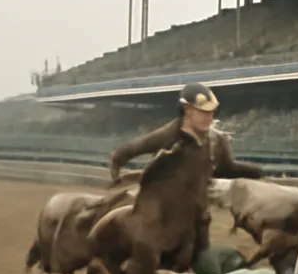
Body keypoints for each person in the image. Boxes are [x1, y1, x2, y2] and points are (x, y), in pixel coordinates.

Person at [107, 82, 265, 255]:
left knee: (201, 257)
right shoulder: (171, 134)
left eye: (212, 112)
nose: (210, 117)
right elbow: (135, 148)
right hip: (163, 216)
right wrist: (116, 162)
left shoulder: (216, 141)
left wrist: (255, 171)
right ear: (188, 110)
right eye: (204, 112)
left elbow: (226, 169)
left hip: (197, 219)